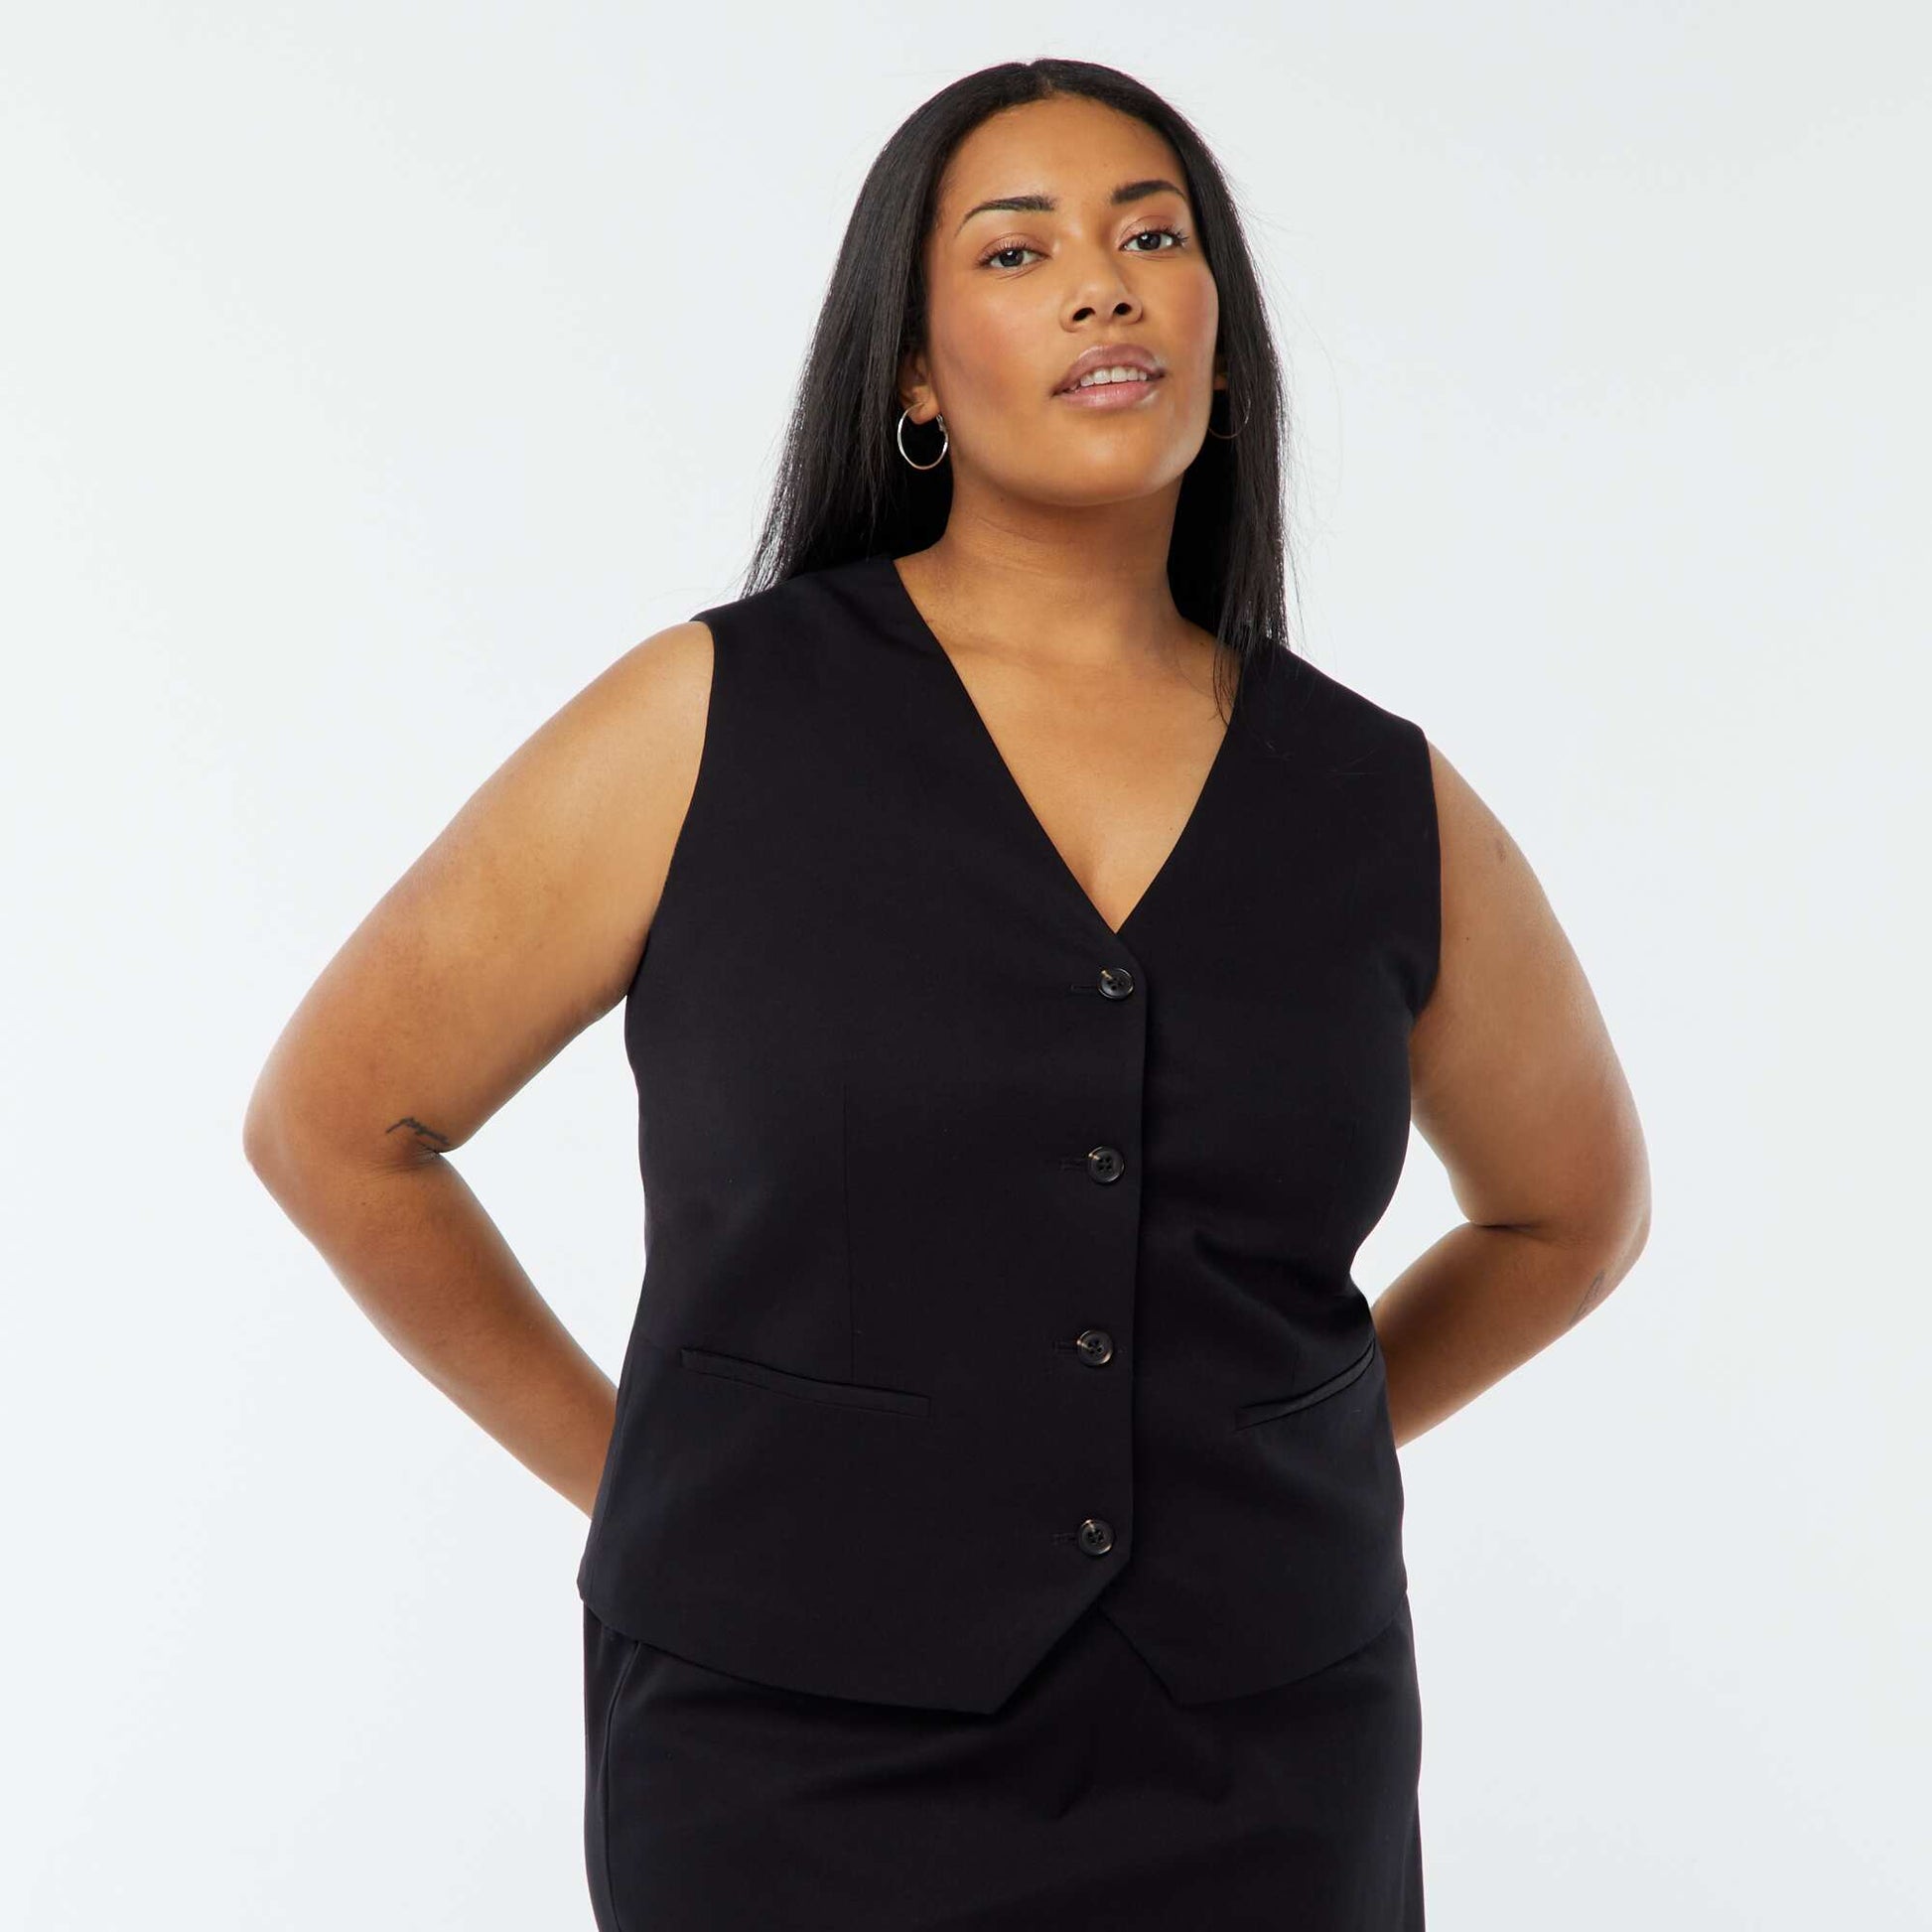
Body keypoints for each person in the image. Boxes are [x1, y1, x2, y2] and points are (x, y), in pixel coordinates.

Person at [243, 57, 1650, 1931]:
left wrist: (1262, 1449)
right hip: (784, 1762)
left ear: (1221, 344)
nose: (1102, 285)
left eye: (1153, 237)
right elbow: (339, 1125)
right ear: (911, 375)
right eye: (1016, 250)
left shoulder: (1376, 798)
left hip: (1261, 1758)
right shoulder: (707, 722)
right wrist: (648, 1480)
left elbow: (1569, 1213)